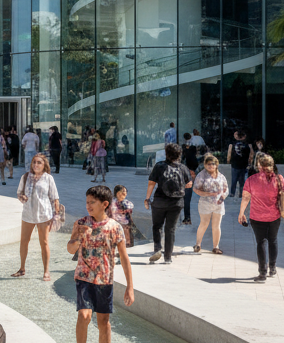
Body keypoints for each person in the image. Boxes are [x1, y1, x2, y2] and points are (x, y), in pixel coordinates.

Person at [68, 186, 135, 343]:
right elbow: (71, 249)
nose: (88, 205)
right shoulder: (81, 223)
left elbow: (124, 258)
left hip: (104, 280)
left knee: (103, 322)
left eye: (92, 202)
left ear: (105, 204)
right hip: (83, 277)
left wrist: (129, 286)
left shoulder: (115, 227)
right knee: (84, 315)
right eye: (87, 202)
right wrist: (79, 237)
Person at [238, 154, 284, 282]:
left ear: (259, 165)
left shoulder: (251, 179)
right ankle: (272, 268)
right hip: (274, 216)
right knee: (273, 240)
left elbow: (246, 197)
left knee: (260, 243)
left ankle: (262, 273)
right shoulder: (279, 179)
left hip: (256, 217)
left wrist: (241, 213)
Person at [12, 153, 60, 281]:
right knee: (24, 241)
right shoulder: (25, 177)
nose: (36, 165)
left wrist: (56, 216)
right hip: (28, 213)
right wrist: (22, 197)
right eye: (34, 162)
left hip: (44, 215)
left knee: (44, 242)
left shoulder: (48, 178)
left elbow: (55, 198)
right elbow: (19, 193)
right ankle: (22, 268)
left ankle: (46, 271)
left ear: (44, 165)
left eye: (39, 162)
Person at [145, 143, 194, 264]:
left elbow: (151, 183)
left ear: (166, 153)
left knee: (157, 226)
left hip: (160, 201)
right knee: (170, 229)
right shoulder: (183, 167)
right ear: (179, 154)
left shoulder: (159, 166)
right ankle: (168, 257)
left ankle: (157, 249)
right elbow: (189, 184)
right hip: (176, 202)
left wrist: (147, 198)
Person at [192, 155, 228, 254]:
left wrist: (223, 196)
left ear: (216, 165)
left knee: (216, 226)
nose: (211, 166)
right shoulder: (201, 175)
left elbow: (226, 189)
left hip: (218, 204)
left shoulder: (221, 176)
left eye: (213, 164)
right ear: (205, 165)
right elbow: (195, 189)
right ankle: (198, 244)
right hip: (205, 203)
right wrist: (208, 194)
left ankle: (216, 247)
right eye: (208, 164)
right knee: (204, 223)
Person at [226, 131, 253, 198]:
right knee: (242, 181)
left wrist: (228, 161)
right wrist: (250, 162)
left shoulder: (232, 144)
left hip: (235, 165)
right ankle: (241, 193)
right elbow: (251, 155)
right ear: (244, 136)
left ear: (237, 136)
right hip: (243, 165)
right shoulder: (248, 145)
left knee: (234, 180)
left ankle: (232, 193)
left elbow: (229, 154)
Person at [181, 133, 199, 226]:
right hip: (191, 168)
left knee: (185, 199)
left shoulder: (184, 147)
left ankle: (186, 218)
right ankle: (187, 218)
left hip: (187, 172)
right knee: (186, 199)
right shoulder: (193, 146)